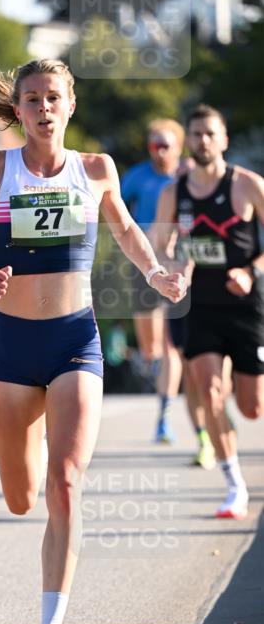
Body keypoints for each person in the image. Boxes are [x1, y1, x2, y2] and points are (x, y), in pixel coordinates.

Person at [0, 58, 186, 624]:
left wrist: (156, 274)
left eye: (54, 97)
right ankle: (32, 450)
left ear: (71, 106)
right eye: (33, 98)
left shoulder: (95, 170)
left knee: (66, 482)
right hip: (11, 347)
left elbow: (126, 230)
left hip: (75, 340)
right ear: (17, 109)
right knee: (22, 498)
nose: (44, 108)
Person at [154, 103, 264, 519]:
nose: (202, 141)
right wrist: (175, 267)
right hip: (198, 305)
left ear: (224, 140)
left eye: (209, 134)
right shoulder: (173, 193)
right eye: (195, 133)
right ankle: (235, 486)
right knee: (209, 392)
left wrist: (251, 271)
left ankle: (238, 395)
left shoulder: (248, 185)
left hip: (245, 305)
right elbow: (160, 247)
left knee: (253, 408)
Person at [120, 119, 185, 441]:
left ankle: (164, 414)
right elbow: (113, 209)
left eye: (165, 145)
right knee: (151, 347)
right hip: (143, 266)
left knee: (171, 342)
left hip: (178, 265)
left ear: (179, 148)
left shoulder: (187, 176)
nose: (158, 152)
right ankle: (152, 364)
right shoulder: (138, 176)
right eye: (153, 145)